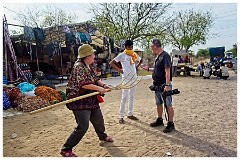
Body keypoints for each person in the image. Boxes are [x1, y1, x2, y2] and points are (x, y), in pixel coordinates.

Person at [60, 44, 113, 157]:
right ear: (87, 56)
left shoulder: (89, 65)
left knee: (98, 119)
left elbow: (95, 79)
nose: (94, 55)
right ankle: (66, 149)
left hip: (90, 98)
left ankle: (102, 136)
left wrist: (103, 85)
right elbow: (83, 84)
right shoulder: (79, 66)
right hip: (79, 100)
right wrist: (99, 89)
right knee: (83, 126)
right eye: (93, 54)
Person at [141, 38, 175, 133]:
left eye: (151, 46)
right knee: (158, 103)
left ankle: (171, 123)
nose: (150, 48)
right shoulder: (158, 57)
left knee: (168, 104)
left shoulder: (165, 56)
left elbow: (167, 71)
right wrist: (147, 69)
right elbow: (157, 70)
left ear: (155, 46)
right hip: (157, 85)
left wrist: (167, 85)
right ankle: (160, 119)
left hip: (164, 84)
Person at [109, 40, 142, 124]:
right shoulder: (122, 55)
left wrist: (136, 67)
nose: (130, 48)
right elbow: (112, 63)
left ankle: (130, 113)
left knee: (132, 96)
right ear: (125, 47)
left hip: (134, 78)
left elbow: (140, 60)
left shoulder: (134, 54)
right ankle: (121, 116)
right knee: (124, 97)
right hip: (126, 78)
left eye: (132, 47)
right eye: (129, 47)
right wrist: (119, 70)